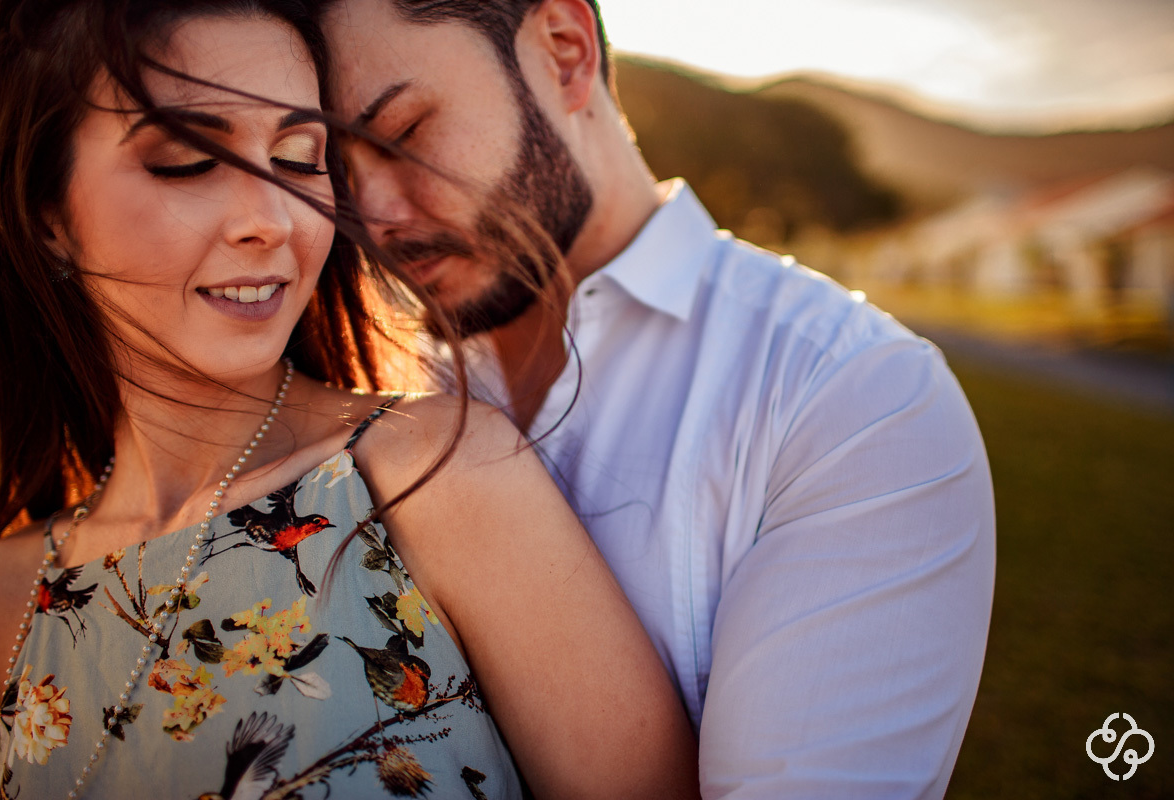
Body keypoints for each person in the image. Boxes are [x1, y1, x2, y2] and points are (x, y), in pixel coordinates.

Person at [0, 1, 699, 798]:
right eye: (187, 160)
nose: (271, 219)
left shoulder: (433, 478)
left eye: (297, 158)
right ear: (40, 215)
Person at [318, 0, 998, 797]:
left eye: (402, 134)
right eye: (330, 169)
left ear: (566, 53)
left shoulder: (848, 398)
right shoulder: (367, 385)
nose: (374, 218)